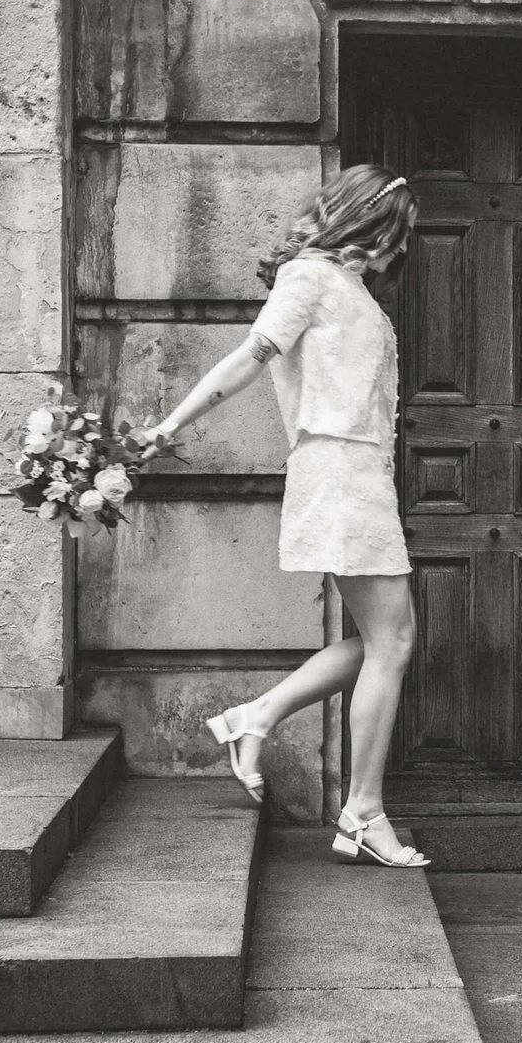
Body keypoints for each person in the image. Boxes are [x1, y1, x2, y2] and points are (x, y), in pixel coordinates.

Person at [145, 163, 430, 870]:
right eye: (401, 235)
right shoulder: (309, 278)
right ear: (373, 225)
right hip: (339, 472)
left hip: (360, 473)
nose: (403, 250)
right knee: (391, 643)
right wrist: (170, 425)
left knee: (384, 642)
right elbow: (250, 356)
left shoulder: (349, 285)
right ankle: (362, 811)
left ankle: (258, 718)